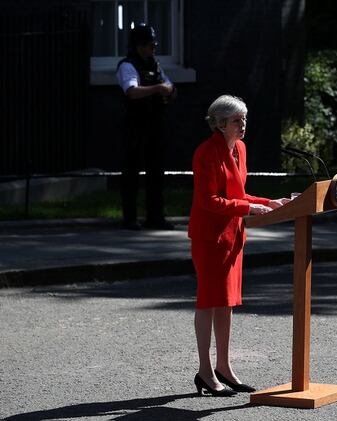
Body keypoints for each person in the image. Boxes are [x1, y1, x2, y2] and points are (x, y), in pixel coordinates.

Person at [189, 95, 290, 396]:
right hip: (210, 238)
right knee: (208, 301)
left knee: (227, 302)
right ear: (220, 123)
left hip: (233, 236)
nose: (243, 124)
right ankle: (205, 372)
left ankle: (224, 367)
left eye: (244, 118)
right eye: (237, 119)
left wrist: (269, 202)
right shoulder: (205, 153)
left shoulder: (240, 149)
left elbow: (238, 192)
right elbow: (208, 201)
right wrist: (248, 209)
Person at [115, 23, 176, 230]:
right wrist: (158, 88)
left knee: (156, 173)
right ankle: (130, 218)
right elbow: (131, 91)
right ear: (139, 46)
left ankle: (155, 216)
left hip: (155, 126)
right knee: (132, 172)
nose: (154, 48)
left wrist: (168, 89)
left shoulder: (155, 65)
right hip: (135, 126)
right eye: (150, 44)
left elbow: (169, 86)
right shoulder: (128, 66)